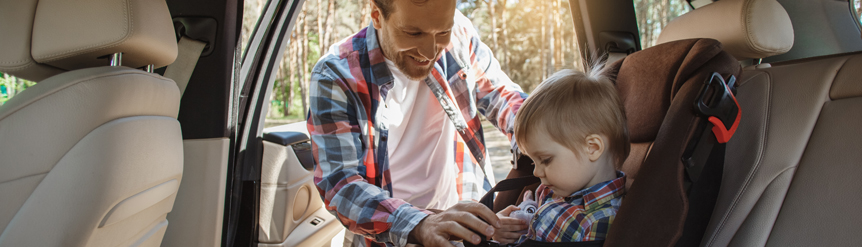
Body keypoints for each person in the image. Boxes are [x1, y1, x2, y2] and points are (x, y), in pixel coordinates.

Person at [305, 0, 529, 246]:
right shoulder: (335, 75)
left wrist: (537, 137)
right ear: (377, 16)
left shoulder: (459, 35)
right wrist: (420, 223)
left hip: (465, 227)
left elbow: (504, 97)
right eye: (414, 33)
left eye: (442, 32)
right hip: (388, 236)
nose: (430, 50)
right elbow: (341, 185)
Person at [492, 68, 630, 244]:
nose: (536, 172)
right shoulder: (558, 189)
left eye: (545, 160)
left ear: (593, 148)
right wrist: (506, 230)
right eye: (534, 162)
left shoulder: (598, 222)